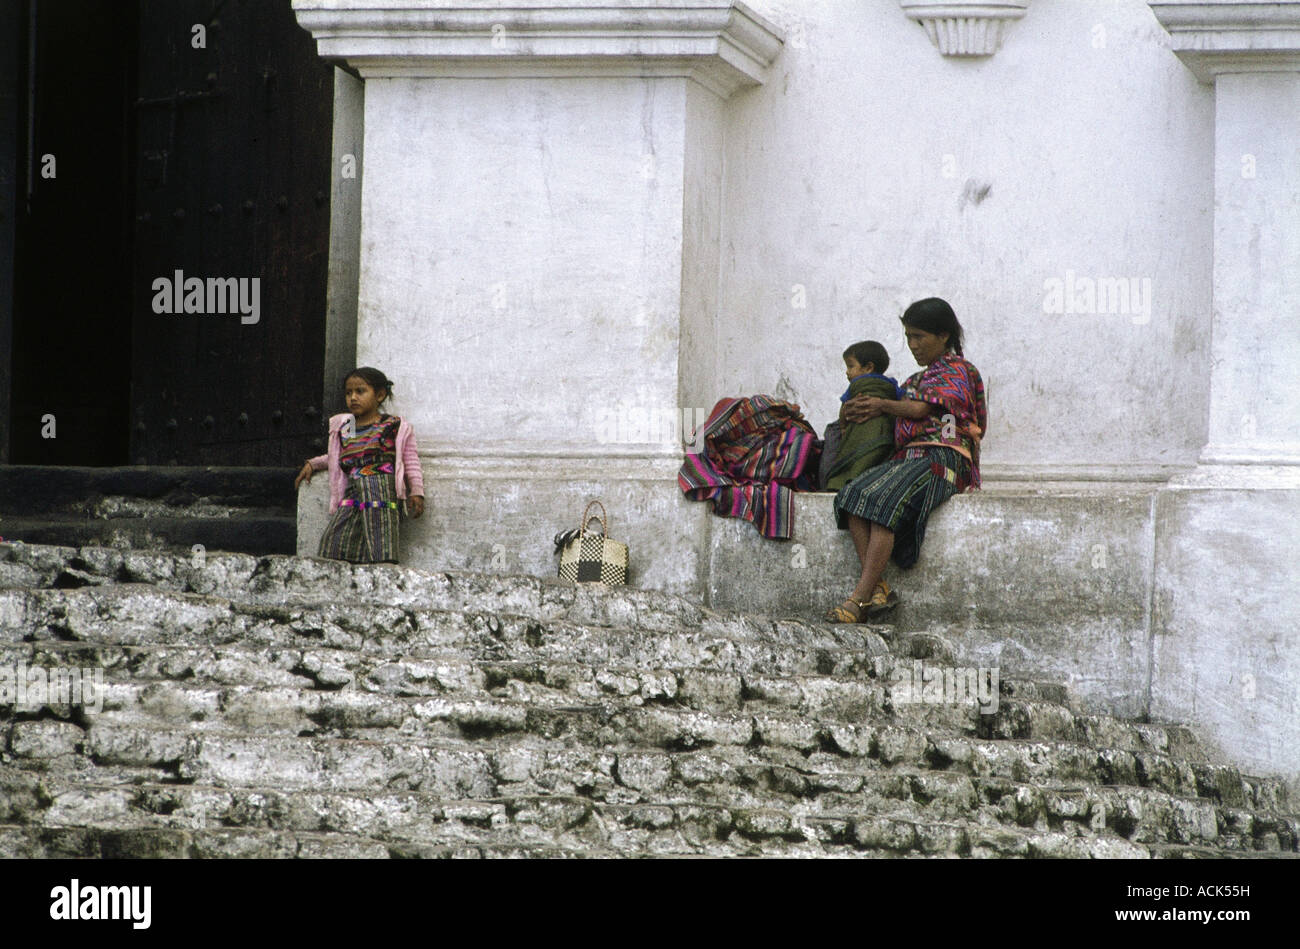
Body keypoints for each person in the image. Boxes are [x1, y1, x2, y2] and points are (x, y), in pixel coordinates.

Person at [826, 298, 987, 623]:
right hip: (909, 459)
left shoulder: (959, 371)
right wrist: (853, 411)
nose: (912, 345)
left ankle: (858, 600)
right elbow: (896, 416)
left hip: (945, 458)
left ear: (943, 336)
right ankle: (879, 588)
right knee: (852, 496)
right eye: (908, 337)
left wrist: (881, 406)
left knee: (883, 501)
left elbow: (919, 410)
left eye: (919, 336)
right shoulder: (914, 381)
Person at [293, 367, 425, 564]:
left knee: (380, 537)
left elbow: (410, 460)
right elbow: (338, 455)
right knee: (335, 540)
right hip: (354, 487)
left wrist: (416, 490)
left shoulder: (392, 425)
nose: (353, 397)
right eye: (348, 393)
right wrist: (314, 463)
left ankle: (382, 577)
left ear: (379, 395)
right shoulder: (349, 426)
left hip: (380, 487)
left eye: (360, 391)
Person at [822, 340, 900, 492]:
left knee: (849, 453)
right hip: (882, 433)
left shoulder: (856, 385)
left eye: (851, 366)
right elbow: (899, 403)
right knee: (873, 456)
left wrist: (843, 427)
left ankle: (836, 482)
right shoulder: (892, 385)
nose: (847, 372)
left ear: (868, 367)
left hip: (857, 431)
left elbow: (845, 407)